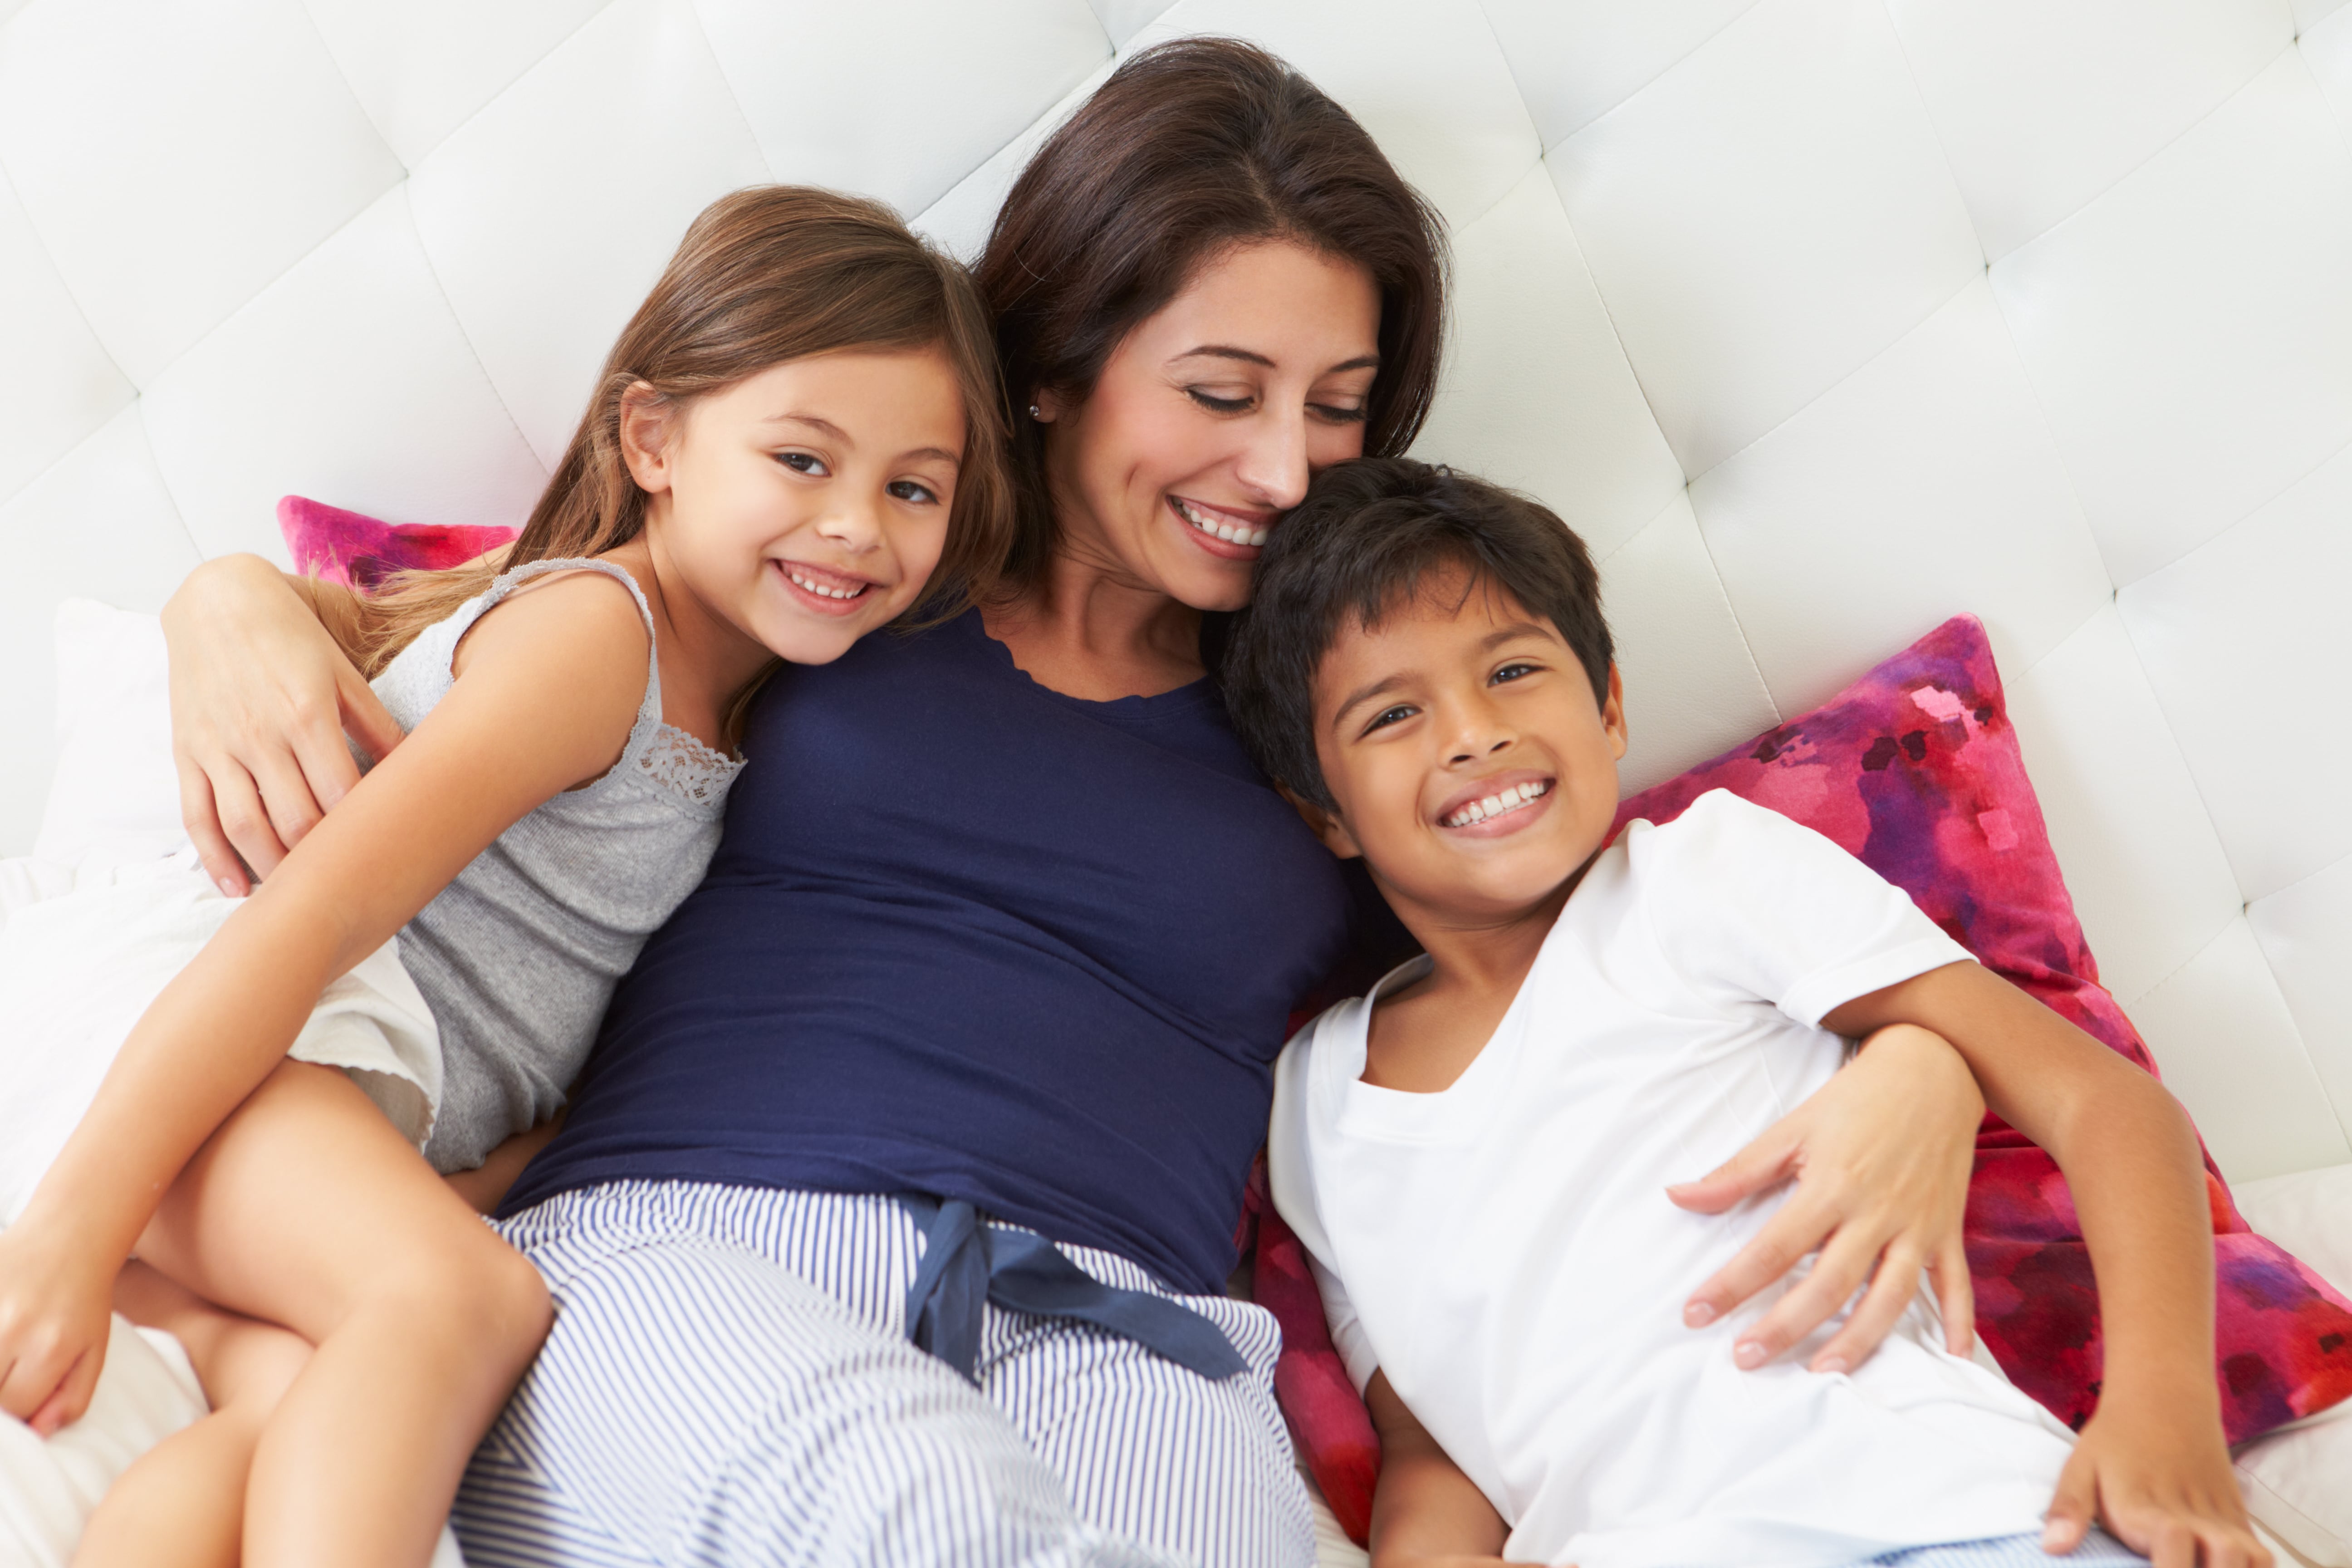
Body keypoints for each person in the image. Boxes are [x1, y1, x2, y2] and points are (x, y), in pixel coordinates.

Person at [158, 41, 2002, 1568]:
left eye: (1338, 405)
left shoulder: (1351, 717)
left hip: (1124, 1331)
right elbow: (483, 621)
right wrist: (224, 605)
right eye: (1221, 390)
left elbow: (1608, 953)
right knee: (926, 1513)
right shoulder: (849, 562)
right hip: (687, 1247)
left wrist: (1922, 1054)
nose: (1282, 469)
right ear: (1053, 365)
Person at [0, 185, 1011, 1568]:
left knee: (280, 1410)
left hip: (308, 1105)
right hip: (211, 1039)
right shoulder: (600, 642)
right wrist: (66, 1233)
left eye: (912, 489)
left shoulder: (748, 722)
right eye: (801, 459)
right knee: (465, 1303)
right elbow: (313, 915)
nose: (856, 525)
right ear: (654, 441)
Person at [1221, 457, 2269, 1568]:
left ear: (1609, 705)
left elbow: (2106, 1104)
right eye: (1392, 714)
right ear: (1325, 812)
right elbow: (1432, 1450)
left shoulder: (1702, 874)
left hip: (1946, 1515)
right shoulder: (1314, 1103)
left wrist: (2163, 1419)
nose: (1473, 734)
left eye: (1514, 670)